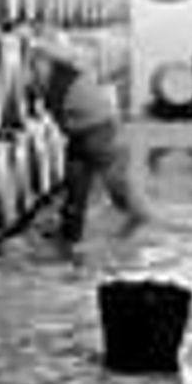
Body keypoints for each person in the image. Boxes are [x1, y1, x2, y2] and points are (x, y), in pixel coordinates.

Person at [31, 28, 152, 242]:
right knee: (75, 185)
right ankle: (70, 234)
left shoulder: (67, 65)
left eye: (39, 61)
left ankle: (139, 217)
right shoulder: (45, 76)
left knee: (116, 185)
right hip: (78, 134)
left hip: (99, 129)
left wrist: (40, 44)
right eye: (34, 63)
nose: (35, 67)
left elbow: (70, 54)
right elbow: (37, 90)